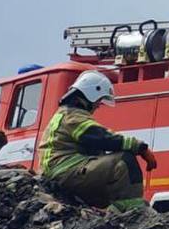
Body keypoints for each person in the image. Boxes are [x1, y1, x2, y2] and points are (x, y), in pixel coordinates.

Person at [38, 70, 158, 211]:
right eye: (99, 100)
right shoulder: (73, 116)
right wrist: (140, 148)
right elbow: (102, 138)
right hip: (65, 172)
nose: (98, 105)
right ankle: (132, 211)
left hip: (62, 173)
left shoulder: (66, 113)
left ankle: (114, 211)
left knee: (108, 170)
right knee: (124, 160)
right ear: (91, 93)